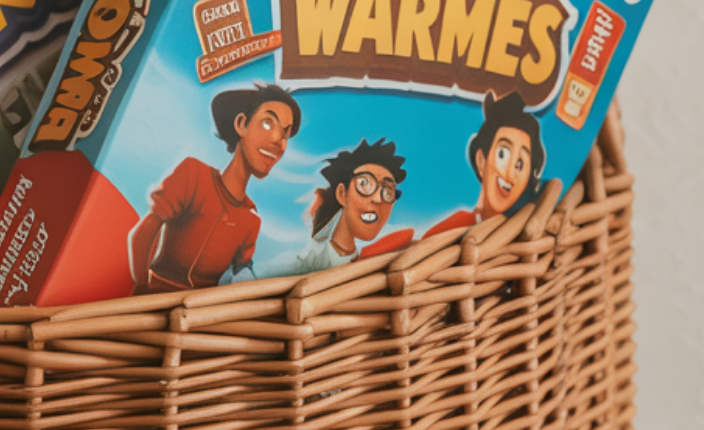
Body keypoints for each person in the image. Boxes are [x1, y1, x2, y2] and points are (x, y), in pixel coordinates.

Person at [128, 83, 301, 292]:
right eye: (267, 123)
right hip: (155, 297)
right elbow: (144, 232)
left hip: (201, 314)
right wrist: (142, 287)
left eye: (285, 133)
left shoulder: (251, 221)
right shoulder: (194, 177)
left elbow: (242, 278)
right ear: (241, 124)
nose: (278, 140)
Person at [268, 137, 412, 277]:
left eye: (387, 191)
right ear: (342, 194)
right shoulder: (309, 258)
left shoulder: (371, 258)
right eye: (364, 184)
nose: (378, 198)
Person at [428, 91, 546, 237]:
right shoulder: (455, 226)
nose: (509, 173)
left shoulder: (525, 231)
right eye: (502, 155)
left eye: (520, 164)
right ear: (481, 161)